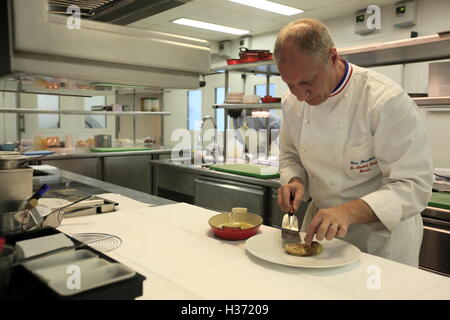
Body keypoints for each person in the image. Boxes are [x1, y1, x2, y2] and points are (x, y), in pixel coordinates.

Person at [275, 18, 433, 267]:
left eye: (307, 82)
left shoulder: (384, 100)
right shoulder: (291, 102)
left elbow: (414, 185)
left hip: (379, 241)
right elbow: (290, 154)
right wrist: (294, 180)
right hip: (321, 233)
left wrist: (347, 212)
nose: (300, 95)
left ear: (332, 57)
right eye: (290, 84)